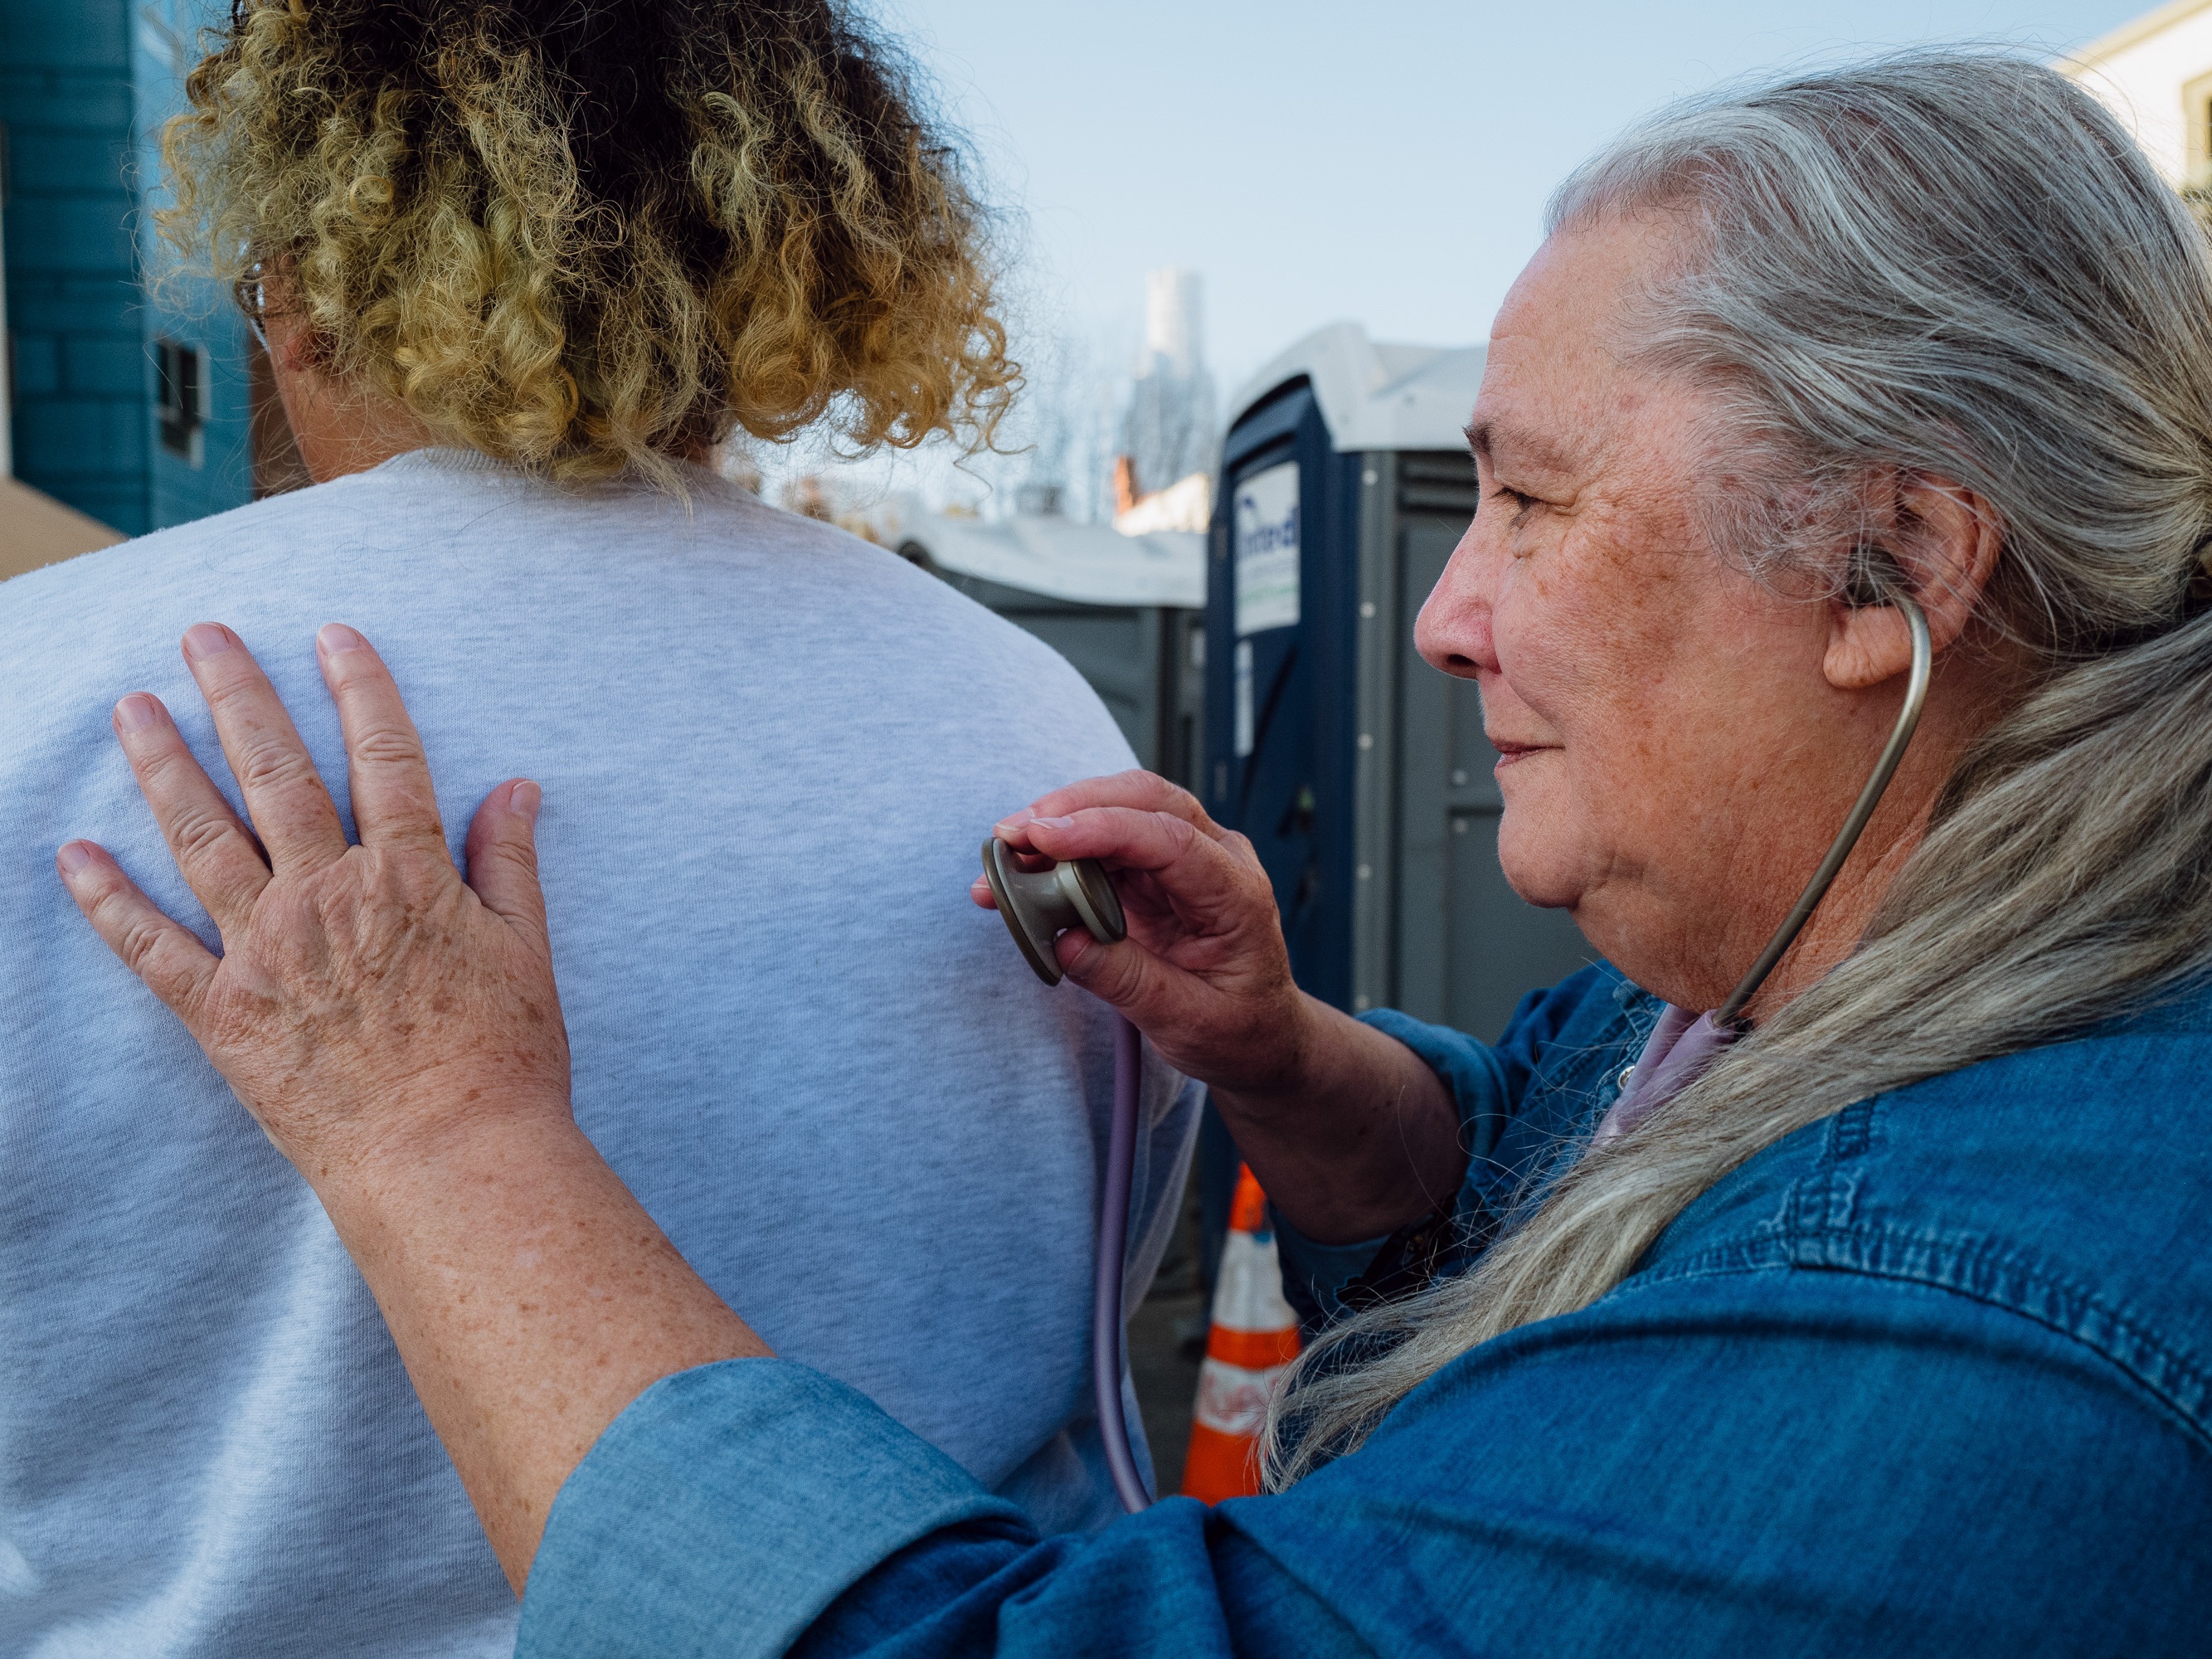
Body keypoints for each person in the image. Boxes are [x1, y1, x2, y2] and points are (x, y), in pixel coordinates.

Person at [56, 48, 2212, 1656]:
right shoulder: (1905, 990)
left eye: (1534, 506)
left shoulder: (1969, 1301)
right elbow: (1592, 1138)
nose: (1452, 613)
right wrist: (1283, 1060)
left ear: (1893, 562)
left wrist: (440, 1134)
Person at [0, 2, 1197, 1653]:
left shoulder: (41, 706)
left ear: (285, 281)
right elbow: (1106, 1255)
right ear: (785, 262)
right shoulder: (1026, 713)